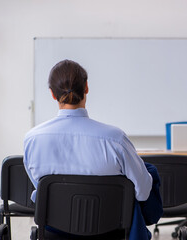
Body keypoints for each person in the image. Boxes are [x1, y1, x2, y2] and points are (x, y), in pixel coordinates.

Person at [24, 59, 162, 239]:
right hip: (112, 233)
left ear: (52, 94)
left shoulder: (33, 139)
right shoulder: (115, 139)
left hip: (56, 232)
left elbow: (43, 190)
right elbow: (143, 193)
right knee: (147, 171)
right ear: (86, 88)